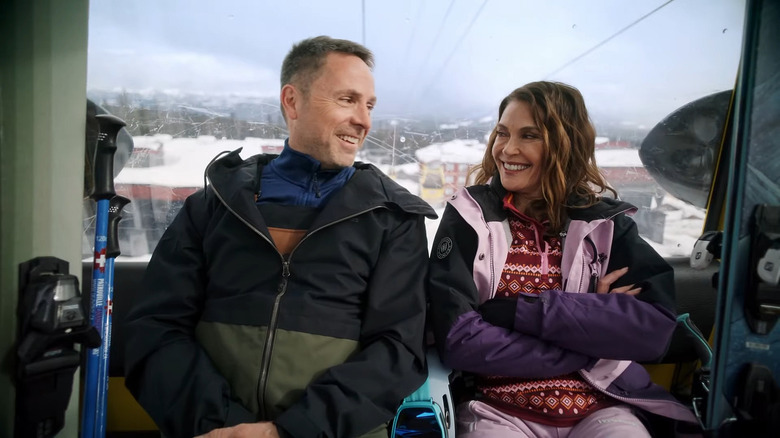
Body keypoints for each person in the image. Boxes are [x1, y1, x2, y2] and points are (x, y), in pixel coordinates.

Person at [124, 35, 437, 438]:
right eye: (347, 100)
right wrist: (222, 426)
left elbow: (398, 351)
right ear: (292, 101)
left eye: (370, 105)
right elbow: (154, 328)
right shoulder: (214, 206)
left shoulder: (392, 220)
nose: (365, 121)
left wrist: (288, 432)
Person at [427, 81, 699, 437]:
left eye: (529, 136)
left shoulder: (606, 226)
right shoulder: (471, 217)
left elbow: (652, 331)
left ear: (564, 145)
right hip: (499, 408)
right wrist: (590, 334)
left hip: (602, 405)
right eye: (502, 133)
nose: (508, 149)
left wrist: (520, 312)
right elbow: (460, 340)